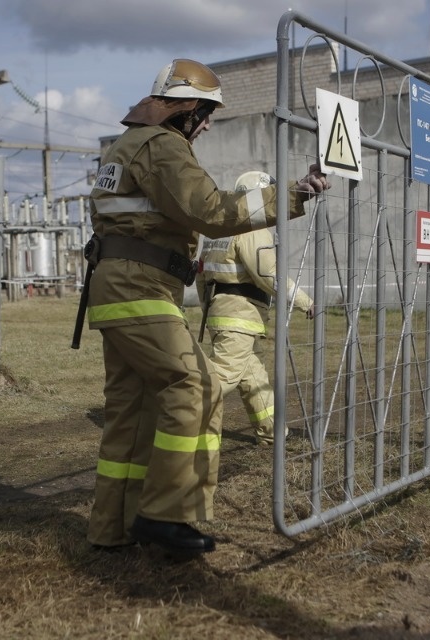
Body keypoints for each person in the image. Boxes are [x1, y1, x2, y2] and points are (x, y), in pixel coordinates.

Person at [81, 58, 330, 554]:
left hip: (118, 286)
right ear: (186, 108)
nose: (210, 122)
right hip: (140, 289)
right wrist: (295, 193)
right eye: (208, 111)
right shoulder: (163, 146)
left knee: (132, 413)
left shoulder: (125, 147)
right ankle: (165, 516)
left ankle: (112, 528)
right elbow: (211, 211)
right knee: (195, 385)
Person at [198, 170, 315, 447]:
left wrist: (210, 310)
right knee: (223, 376)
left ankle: (272, 434)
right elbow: (269, 274)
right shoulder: (251, 228)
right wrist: (305, 302)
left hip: (224, 315)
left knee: (255, 378)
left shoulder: (217, 232)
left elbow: (201, 278)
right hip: (241, 317)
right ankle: (176, 414)